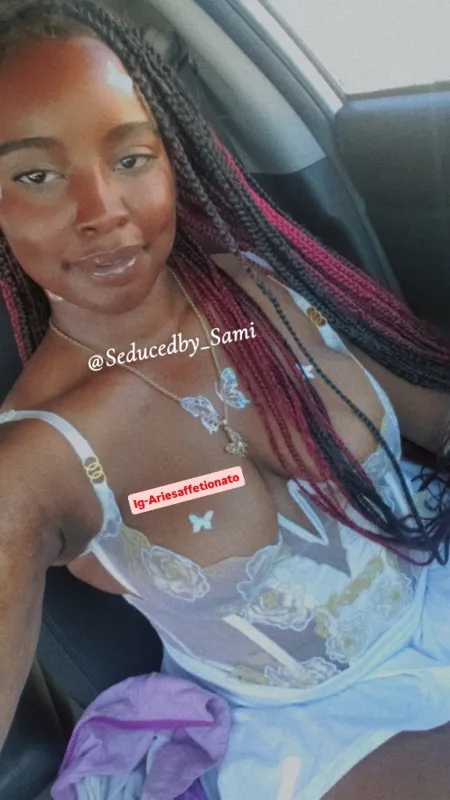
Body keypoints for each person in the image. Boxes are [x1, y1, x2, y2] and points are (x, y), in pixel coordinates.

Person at [0, 1, 449, 798]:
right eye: (36, 175)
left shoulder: (263, 286)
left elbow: (436, 418)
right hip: (311, 728)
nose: (104, 211)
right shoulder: (38, 461)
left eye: (131, 157)